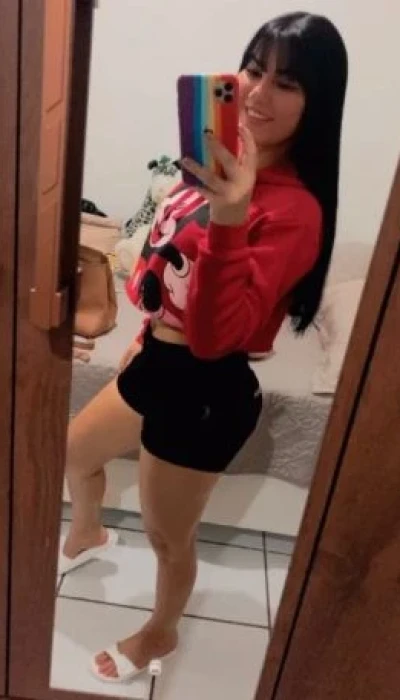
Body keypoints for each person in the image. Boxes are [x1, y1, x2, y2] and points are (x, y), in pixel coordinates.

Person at [60, 11, 348, 683]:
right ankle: (89, 530)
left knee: (168, 537)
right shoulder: (215, 163)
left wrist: (230, 214)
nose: (259, 93)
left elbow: (218, 336)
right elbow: (164, 267)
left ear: (318, 101)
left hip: (208, 389)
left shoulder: (296, 212)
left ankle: (159, 633)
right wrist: (141, 337)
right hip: (158, 361)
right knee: (74, 451)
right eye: (253, 69)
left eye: (288, 83)